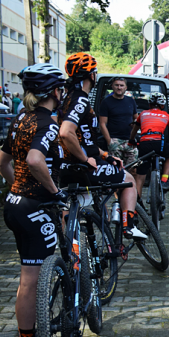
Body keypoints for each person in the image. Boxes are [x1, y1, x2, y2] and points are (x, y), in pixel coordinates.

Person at [1, 64, 68, 337]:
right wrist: (54, 192)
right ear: (55, 91)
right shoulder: (47, 122)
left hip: (14, 204)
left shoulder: (20, 118)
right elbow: (35, 159)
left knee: (27, 277)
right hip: (34, 207)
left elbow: (1, 163)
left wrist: (17, 187)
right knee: (31, 280)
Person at [58, 52, 146, 239]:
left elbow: (83, 139)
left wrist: (105, 155)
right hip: (84, 166)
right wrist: (85, 158)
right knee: (129, 180)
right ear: (92, 75)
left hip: (66, 167)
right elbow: (66, 132)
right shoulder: (81, 100)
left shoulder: (66, 99)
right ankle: (128, 226)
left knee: (77, 210)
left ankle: (73, 254)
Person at [129, 92, 169, 195]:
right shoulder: (165, 115)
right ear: (162, 105)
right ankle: (164, 180)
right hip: (159, 144)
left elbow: (134, 131)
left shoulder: (143, 114)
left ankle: (137, 205)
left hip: (144, 144)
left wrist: (131, 140)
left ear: (149, 104)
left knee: (140, 177)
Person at [98, 77, 139, 168]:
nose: (119, 87)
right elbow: (102, 124)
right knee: (117, 169)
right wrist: (109, 142)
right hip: (114, 140)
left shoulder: (131, 101)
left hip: (130, 140)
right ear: (112, 86)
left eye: (121, 85)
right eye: (116, 85)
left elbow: (136, 120)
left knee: (133, 168)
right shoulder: (106, 102)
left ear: (125, 87)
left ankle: (131, 182)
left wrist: (135, 132)